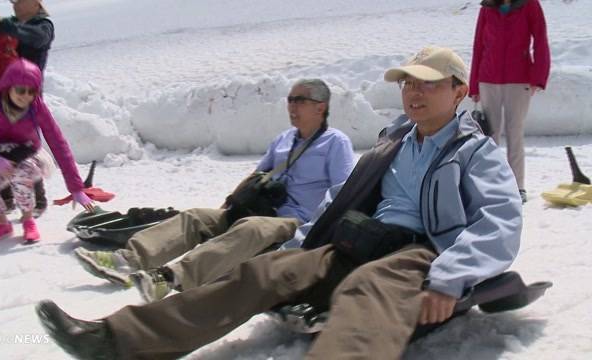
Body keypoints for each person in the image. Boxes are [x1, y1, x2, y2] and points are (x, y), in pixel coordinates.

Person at [36, 46, 522, 360]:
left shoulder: (474, 153)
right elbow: (343, 197)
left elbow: (500, 222)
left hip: (420, 252)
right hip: (364, 238)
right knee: (262, 272)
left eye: (429, 83)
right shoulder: (394, 142)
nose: (414, 93)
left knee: (368, 288)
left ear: (459, 91)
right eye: (408, 83)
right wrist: (303, 245)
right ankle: (120, 339)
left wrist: (449, 277)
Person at [73, 78, 356, 293]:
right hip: (260, 209)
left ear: (321, 107)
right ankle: (128, 260)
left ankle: (171, 278)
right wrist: (230, 206)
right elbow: (258, 175)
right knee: (196, 217)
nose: (292, 105)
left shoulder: (336, 143)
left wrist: (315, 232)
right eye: (290, 99)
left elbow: (342, 192)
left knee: (251, 228)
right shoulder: (283, 139)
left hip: (294, 221)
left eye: (300, 100)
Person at [0, 59, 95, 244]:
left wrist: (76, 188)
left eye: (32, 91)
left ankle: (28, 220)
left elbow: (58, 143)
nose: (26, 96)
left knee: (21, 175)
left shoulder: (37, 107)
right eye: (21, 90)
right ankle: (1, 224)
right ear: (8, 87)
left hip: (30, 154)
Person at [469, 0, 550, 203]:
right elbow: (478, 45)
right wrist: (474, 85)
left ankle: (517, 186)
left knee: (515, 134)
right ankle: (491, 184)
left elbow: (540, 40)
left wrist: (538, 78)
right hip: (488, 79)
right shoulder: (487, 8)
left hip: (519, 79)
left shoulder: (530, 5)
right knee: (489, 136)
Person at [0, 0, 55, 218]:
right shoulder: (11, 23)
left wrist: (2, 25)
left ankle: (37, 200)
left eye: (19, 1)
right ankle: (4, 200)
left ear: (35, 3)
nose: (14, 5)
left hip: (27, 97)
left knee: (28, 148)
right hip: (2, 95)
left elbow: (33, 37)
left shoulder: (43, 26)